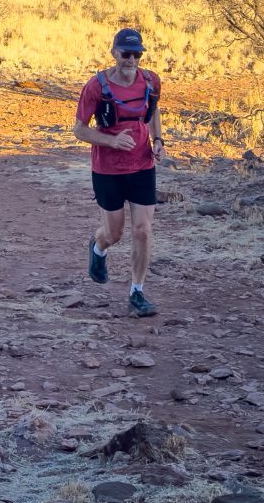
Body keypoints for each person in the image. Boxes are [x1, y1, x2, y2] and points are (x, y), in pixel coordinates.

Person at [73, 28, 165, 317]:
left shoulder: (150, 81)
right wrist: (112, 141)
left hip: (142, 165)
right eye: (126, 54)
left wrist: (158, 141)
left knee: (143, 230)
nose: (131, 60)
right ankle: (98, 247)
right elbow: (79, 130)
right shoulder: (96, 87)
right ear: (114, 53)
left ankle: (137, 292)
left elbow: (153, 111)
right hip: (108, 169)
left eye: (137, 54)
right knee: (114, 233)